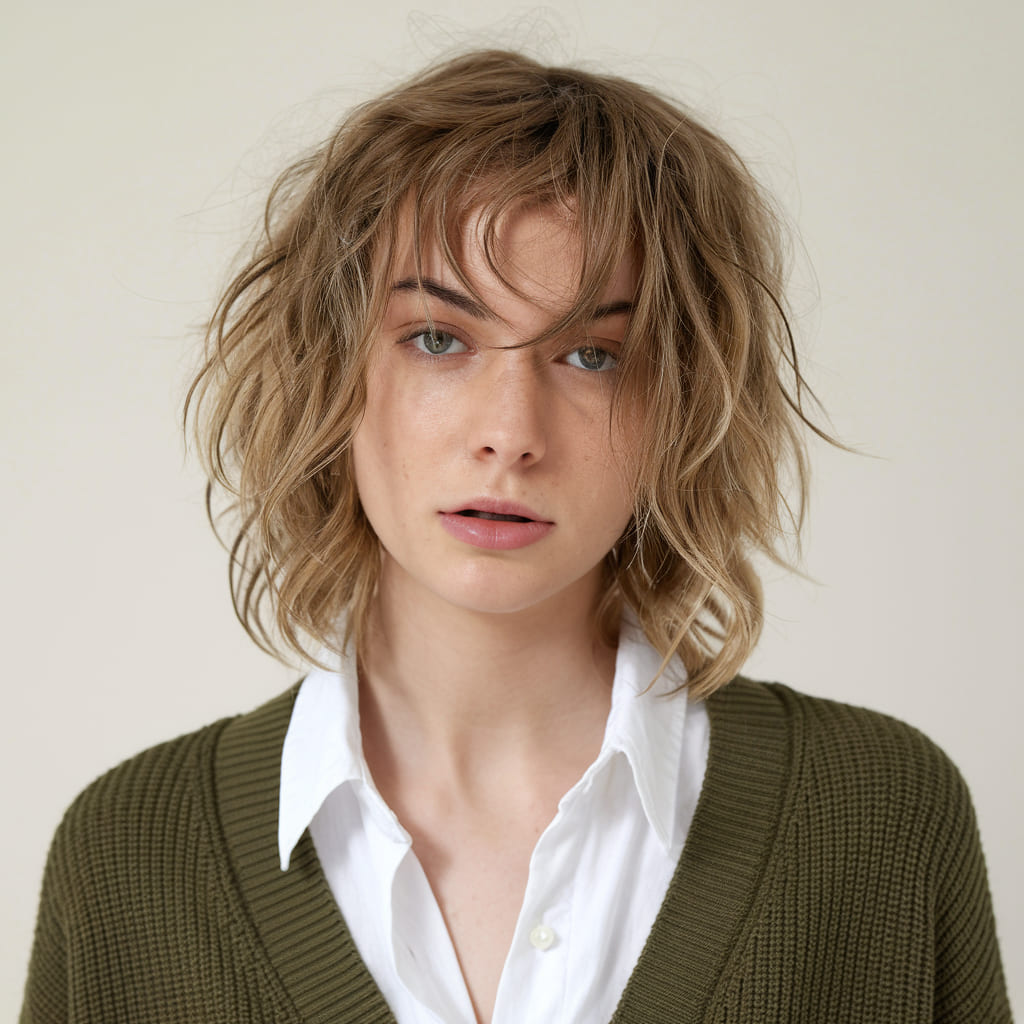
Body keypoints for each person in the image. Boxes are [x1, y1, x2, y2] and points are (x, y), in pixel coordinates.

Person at [20, 49, 1011, 1024]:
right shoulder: (129, 857)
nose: (509, 433)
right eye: (437, 338)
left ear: (683, 400)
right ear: (331, 368)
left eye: (592, 355)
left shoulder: (877, 817)